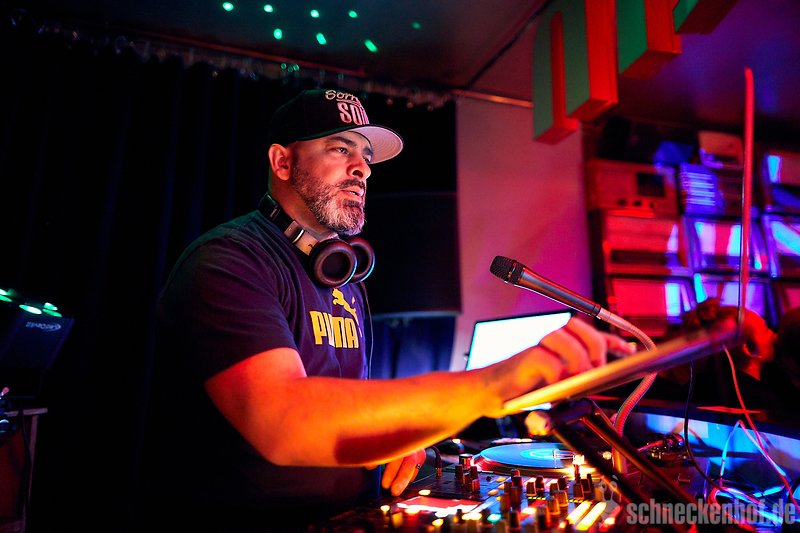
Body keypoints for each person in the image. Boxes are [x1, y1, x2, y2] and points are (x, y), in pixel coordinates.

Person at [136, 88, 634, 532]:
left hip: (346, 514)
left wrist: (398, 437)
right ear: (282, 162)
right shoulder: (228, 261)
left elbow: (344, 404)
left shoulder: (344, 278)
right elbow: (282, 420)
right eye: (340, 149)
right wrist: (490, 384)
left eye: (366, 156)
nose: (363, 169)